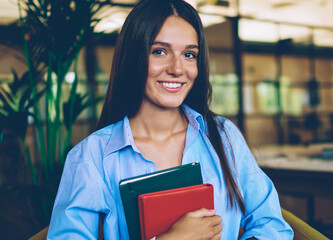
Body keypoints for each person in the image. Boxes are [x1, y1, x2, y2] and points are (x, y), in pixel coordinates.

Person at [47, 0, 293, 239]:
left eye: (189, 54)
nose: (177, 68)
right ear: (133, 57)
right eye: (160, 51)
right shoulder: (92, 156)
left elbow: (271, 224)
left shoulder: (223, 135)